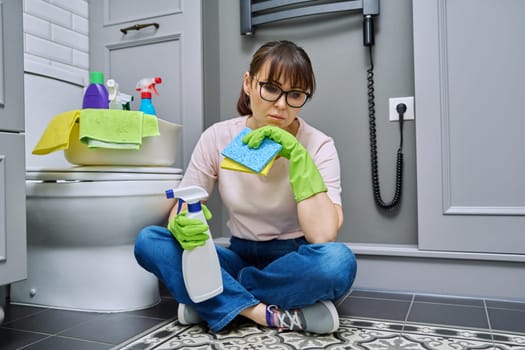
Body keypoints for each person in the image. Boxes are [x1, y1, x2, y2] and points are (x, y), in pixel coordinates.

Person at [134, 40, 357, 334]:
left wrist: (299, 159)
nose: (281, 104)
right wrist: (183, 223)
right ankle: (262, 313)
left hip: (291, 259)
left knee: (338, 263)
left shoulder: (318, 145)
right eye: (271, 88)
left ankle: (211, 297)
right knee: (149, 240)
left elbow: (322, 235)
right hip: (236, 255)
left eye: (295, 95)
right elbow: (184, 203)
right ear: (249, 83)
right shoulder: (218, 136)